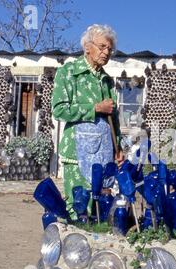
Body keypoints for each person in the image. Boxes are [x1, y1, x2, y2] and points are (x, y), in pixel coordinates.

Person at [52, 24, 124, 220]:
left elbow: (113, 119)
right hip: (77, 152)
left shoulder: (107, 80)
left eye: (110, 49)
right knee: (79, 208)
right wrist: (94, 108)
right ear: (87, 47)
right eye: (102, 47)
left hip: (104, 154)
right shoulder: (69, 72)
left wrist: (118, 148)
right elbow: (59, 110)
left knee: (101, 210)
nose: (106, 52)